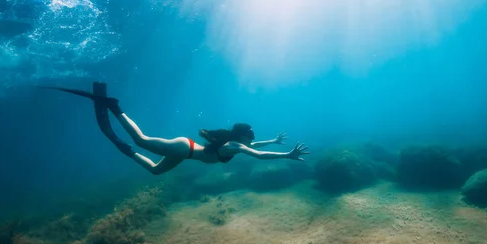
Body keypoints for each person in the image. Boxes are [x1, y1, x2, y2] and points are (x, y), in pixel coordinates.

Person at [43, 82, 310, 175]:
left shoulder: (237, 144)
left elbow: (256, 148)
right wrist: (287, 155)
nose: (251, 140)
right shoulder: (233, 145)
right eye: (249, 136)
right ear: (241, 136)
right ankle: (115, 107)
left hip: (186, 154)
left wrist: (274, 141)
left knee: (156, 171)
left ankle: (125, 151)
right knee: (142, 139)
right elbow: (258, 155)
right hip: (186, 148)